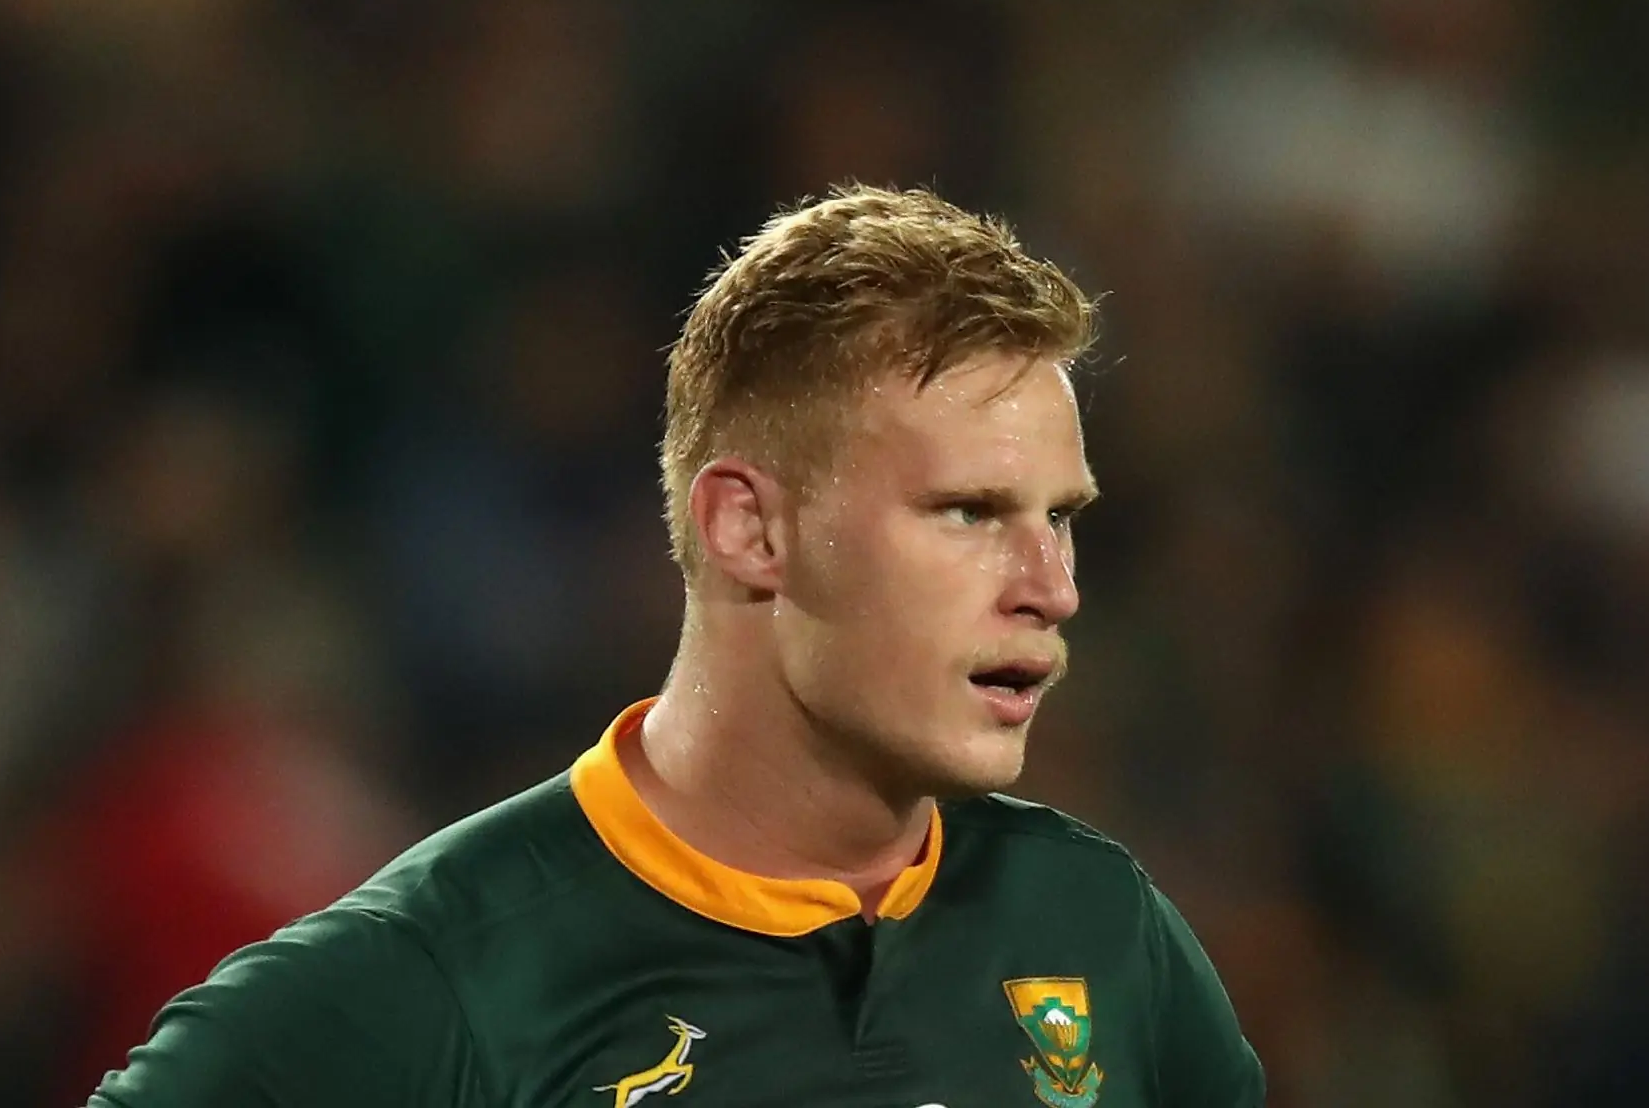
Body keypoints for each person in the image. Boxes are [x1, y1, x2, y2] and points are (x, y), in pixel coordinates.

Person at [89, 185, 1264, 1108]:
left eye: (1059, 517)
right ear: (748, 530)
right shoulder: (449, 978)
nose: (1051, 588)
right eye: (967, 512)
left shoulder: (1095, 925)